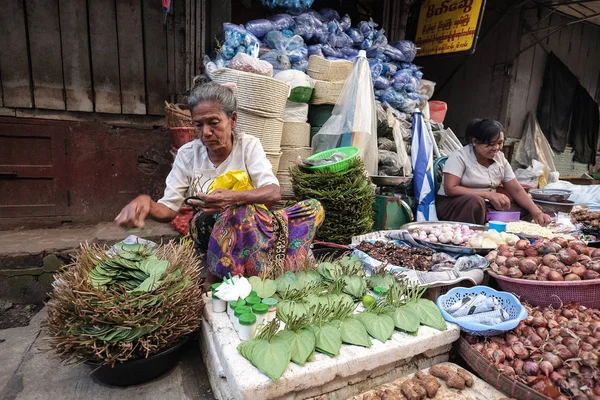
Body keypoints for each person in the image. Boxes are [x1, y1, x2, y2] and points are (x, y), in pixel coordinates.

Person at [115, 82, 324, 279]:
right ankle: (221, 275)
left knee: (312, 208)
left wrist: (234, 197)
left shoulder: (248, 146)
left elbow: (273, 192)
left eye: (213, 123)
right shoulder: (188, 154)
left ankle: (259, 259)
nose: (205, 132)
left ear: (232, 120)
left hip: (251, 229)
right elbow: (169, 209)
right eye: (198, 125)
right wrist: (147, 204)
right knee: (228, 213)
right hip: (209, 231)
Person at [436, 119, 552, 226]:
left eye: (500, 143)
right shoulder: (459, 157)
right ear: (475, 141)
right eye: (491, 144)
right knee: (475, 202)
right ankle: (472, 234)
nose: (496, 148)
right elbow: (450, 189)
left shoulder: (500, 158)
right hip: (455, 205)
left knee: (527, 207)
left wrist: (537, 212)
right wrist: (489, 195)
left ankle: (494, 227)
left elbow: (516, 190)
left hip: (487, 206)